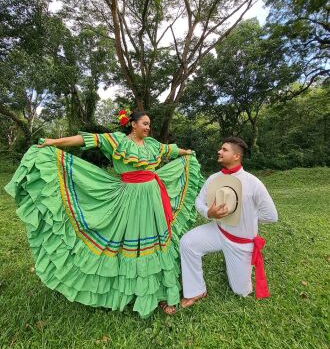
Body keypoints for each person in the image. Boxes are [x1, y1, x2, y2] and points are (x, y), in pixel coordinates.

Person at [5, 110, 204, 318]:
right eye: (144, 123)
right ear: (133, 124)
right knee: (129, 241)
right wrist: (55, 141)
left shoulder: (152, 145)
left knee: (158, 243)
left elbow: (171, 151)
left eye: (149, 124)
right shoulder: (117, 141)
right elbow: (85, 139)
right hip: (129, 197)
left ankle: (163, 294)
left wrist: (187, 152)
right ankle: (127, 292)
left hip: (154, 197)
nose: (148, 127)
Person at [179, 136, 278, 308]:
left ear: (236, 156)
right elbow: (199, 202)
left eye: (224, 149)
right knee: (187, 243)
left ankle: (237, 270)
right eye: (220, 148)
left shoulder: (253, 183)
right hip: (218, 231)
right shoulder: (213, 179)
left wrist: (247, 217)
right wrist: (209, 212)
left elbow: (271, 216)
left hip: (241, 242)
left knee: (241, 292)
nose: (219, 151)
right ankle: (196, 290)